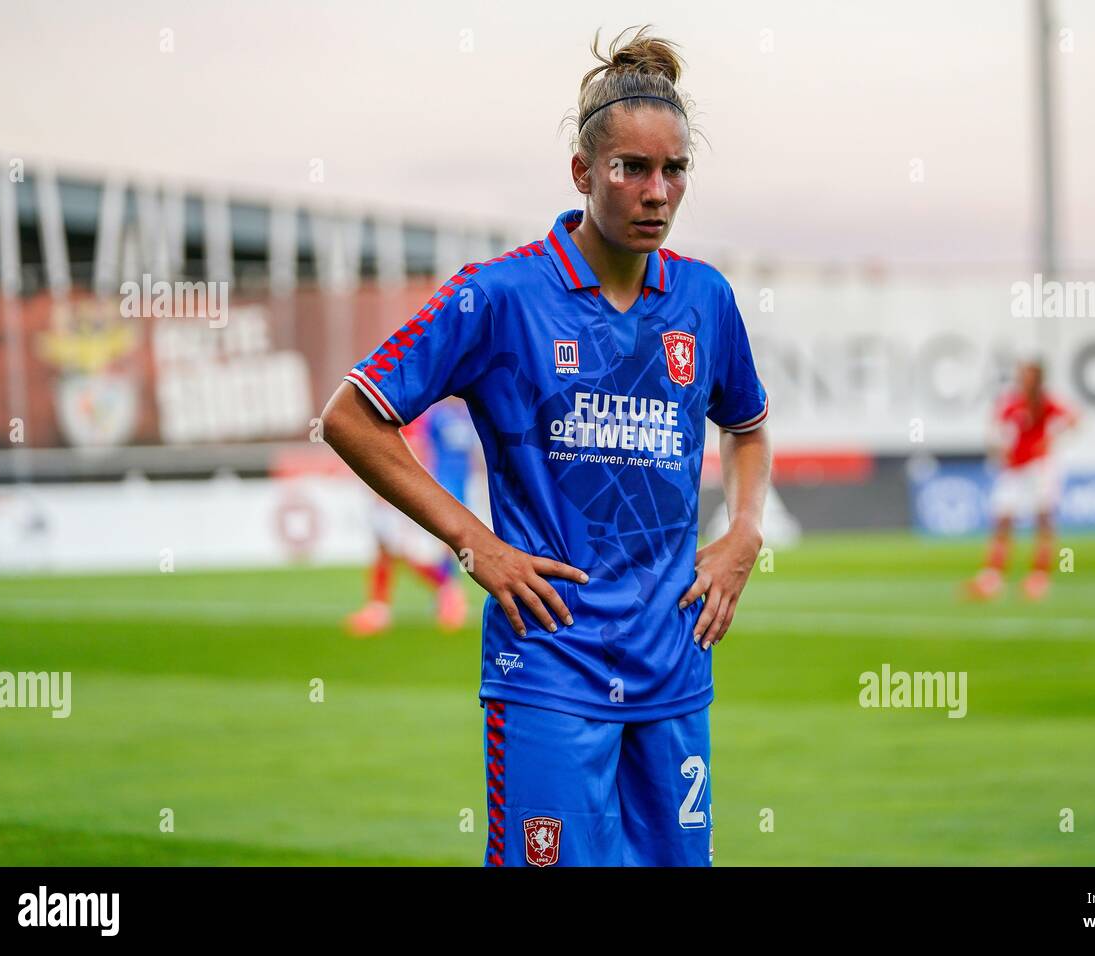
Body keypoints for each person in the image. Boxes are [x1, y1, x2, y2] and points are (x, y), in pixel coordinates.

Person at [320, 25, 772, 866]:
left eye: (674, 170)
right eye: (631, 168)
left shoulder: (704, 298)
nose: (656, 192)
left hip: (674, 665)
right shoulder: (501, 295)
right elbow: (351, 415)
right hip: (550, 667)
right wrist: (474, 542)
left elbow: (745, 427)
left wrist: (745, 530)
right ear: (582, 171)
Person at [343, 398, 475, 637]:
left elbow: (418, 451)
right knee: (386, 547)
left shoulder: (422, 413)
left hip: (414, 489)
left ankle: (446, 590)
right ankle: (380, 607)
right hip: (416, 487)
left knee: (403, 549)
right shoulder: (436, 412)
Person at [966, 358, 1078, 601]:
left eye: (1027, 374)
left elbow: (1074, 419)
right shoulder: (1013, 404)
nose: (1022, 378)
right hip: (1014, 469)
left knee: (1043, 519)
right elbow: (996, 429)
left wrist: (1051, 439)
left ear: (1037, 378)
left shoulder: (1046, 403)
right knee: (1003, 520)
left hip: (1039, 468)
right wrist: (999, 448)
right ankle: (992, 577)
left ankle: (1039, 577)